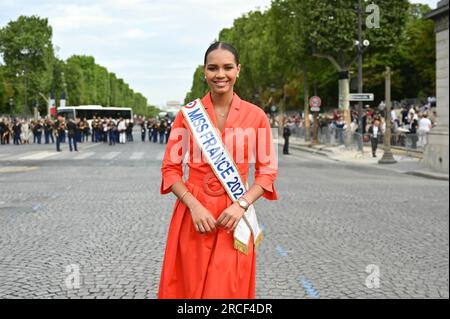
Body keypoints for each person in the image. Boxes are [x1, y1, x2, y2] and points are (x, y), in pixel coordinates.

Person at [158, 42, 278, 299]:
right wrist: (193, 205)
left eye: (227, 67)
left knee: (228, 290)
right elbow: (170, 169)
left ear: (238, 70)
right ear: (204, 71)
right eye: (213, 68)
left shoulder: (256, 116)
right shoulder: (187, 115)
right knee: (189, 288)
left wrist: (241, 204)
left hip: (233, 214)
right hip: (193, 214)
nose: (220, 74)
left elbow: (267, 172)